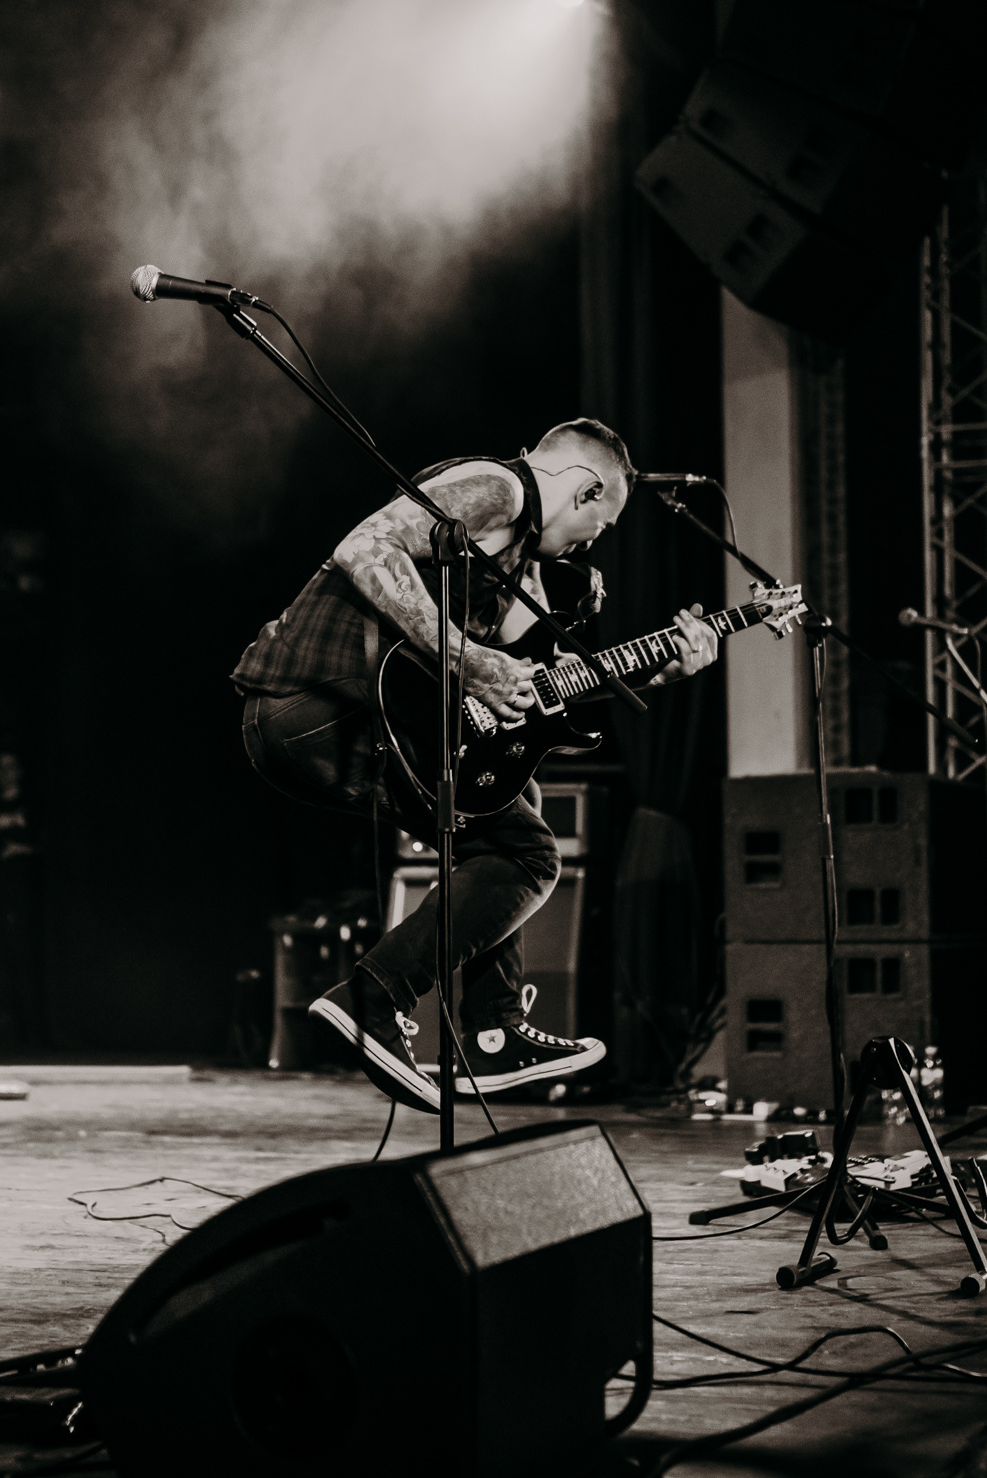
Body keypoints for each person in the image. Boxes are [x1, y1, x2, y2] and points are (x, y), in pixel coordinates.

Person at [233, 419, 719, 1111]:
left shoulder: (522, 565)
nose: (590, 543)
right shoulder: (498, 488)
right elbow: (364, 547)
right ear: (586, 490)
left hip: (349, 718)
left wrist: (658, 669)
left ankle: (494, 1030)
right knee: (529, 853)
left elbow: (540, 684)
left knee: (509, 821)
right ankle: (375, 998)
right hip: (313, 704)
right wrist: (472, 659)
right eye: (600, 525)